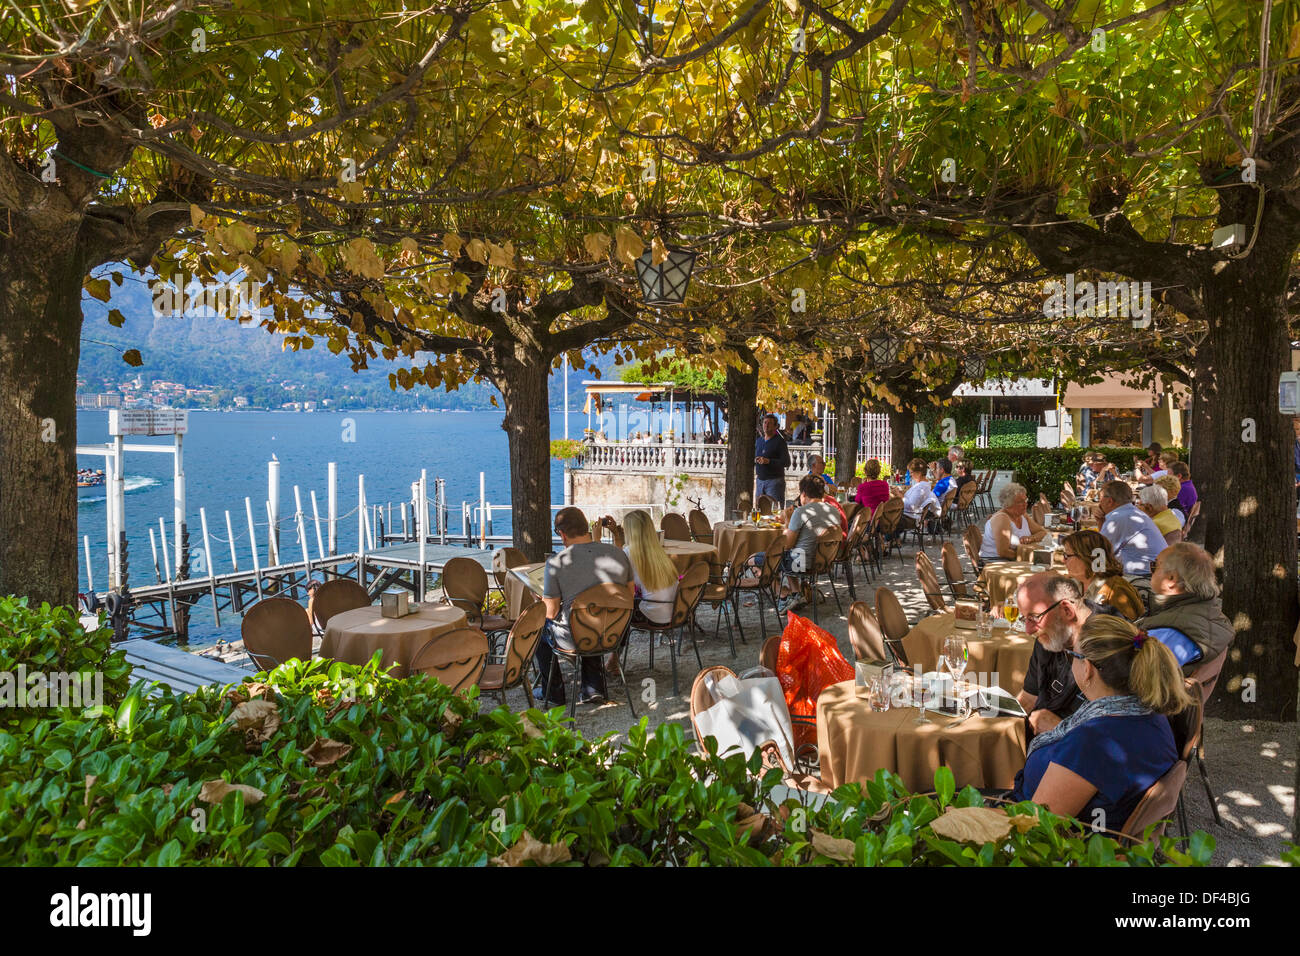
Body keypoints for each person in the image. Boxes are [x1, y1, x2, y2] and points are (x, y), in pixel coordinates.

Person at [1010, 613, 1191, 827]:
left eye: (1071, 656)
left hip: (1060, 846)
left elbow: (1036, 828)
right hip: (1109, 838)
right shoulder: (1150, 713)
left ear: (1087, 669)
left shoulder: (1093, 743)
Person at [533, 506, 634, 706]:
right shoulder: (619, 554)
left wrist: (539, 601)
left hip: (576, 638)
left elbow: (551, 612)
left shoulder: (556, 563)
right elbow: (629, 596)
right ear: (585, 527)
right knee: (589, 614)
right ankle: (592, 687)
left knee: (539, 627)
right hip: (613, 632)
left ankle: (553, 691)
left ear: (561, 534)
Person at [1139, 543, 1234, 676]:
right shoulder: (1211, 613)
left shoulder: (1170, 631)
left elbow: (1139, 675)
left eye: (1154, 566)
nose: (1151, 571)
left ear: (1171, 579)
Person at [749, 474, 840, 613]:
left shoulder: (801, 512)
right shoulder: (833, 511)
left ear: (803, 494)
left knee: (752, 560)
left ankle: (783, 594)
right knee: (793, 553)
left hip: (801, 562)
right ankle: (797, 594)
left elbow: (787, 545)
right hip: (824, 560)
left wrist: (787, 521)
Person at [1015, 574, 1092, 735]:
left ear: (1067, 610)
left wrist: (1062, 727)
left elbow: (1119, 737)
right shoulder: (1050, 637)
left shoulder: (1109, 645)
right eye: (1024, 619)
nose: (1028, 631)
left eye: (1034, 617)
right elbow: (1029, 698)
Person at [1060, 529, 1145, 621]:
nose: (1063, 561)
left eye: (1067, 555)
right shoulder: (1075, 584)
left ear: (1086, 557)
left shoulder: (1116, 590)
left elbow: (1127, 632)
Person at [1097, 480, 1165, 576]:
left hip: (1142, 578)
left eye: (1100, 498)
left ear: (1110, 501)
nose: (1099, 503)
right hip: (1153, 573)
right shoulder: (1131, 512)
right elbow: (1103, 545)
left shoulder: (1119, 518)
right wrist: (1101, 522)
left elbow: (1099, 553)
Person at [979, 481, 1047, 561]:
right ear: (1008, 504)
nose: (1025, 504)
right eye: (1021, 502)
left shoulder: (1022, 515)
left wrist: (1031, 538)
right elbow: (1003, 552)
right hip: (997, 563)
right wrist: (1026, 556)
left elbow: (1043, 533)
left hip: (1015, 560)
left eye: (1025, 500)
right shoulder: (1002, 518)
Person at [754, 413, 791, 506]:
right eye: (765, 423)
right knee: (759, 509)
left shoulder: (780, 442)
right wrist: (756, 460)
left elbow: (786, 462)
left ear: (775, 427)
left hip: (774, 482)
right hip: (759, 481)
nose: (766, 425)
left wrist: (769, 461)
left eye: (769, 423)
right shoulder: (759, 441)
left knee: (775, 510)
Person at [899, 458, 940, 536]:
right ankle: (894, 540)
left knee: (887, 517)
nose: (910, 475)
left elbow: (911, 506)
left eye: (911, 472)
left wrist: (900, 496)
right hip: (911, 515)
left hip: (910, 518)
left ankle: (887, 540)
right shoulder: (924, 485)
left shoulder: (921, 487)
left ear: (919, 473)